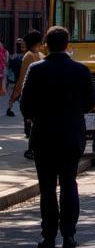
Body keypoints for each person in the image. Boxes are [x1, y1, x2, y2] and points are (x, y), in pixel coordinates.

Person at [18, 26, 95, 248]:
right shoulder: (80, 70)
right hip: (71, 134)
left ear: (46, 44)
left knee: (48, 187)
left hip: (44, 135)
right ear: (68, 44)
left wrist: (37, 117)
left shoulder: (36, 69)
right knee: (69, 183)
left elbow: (26, 106)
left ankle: (49, 235)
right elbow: (91, 101)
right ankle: (69, 235)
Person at [11, 29, 45, 159]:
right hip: (41, 95)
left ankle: (32, 149)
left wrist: (14, 95)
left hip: (31, 95)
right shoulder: (41, 54)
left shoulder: (28, 56)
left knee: (30, 125)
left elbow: (22, 78)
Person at [6, 38, 24, 116]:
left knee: (14, 96)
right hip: (19, 79)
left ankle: (9, 109)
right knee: (20, 96)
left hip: (13, 80)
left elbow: (9, 66)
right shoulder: (23, 56)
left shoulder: (13, 56)